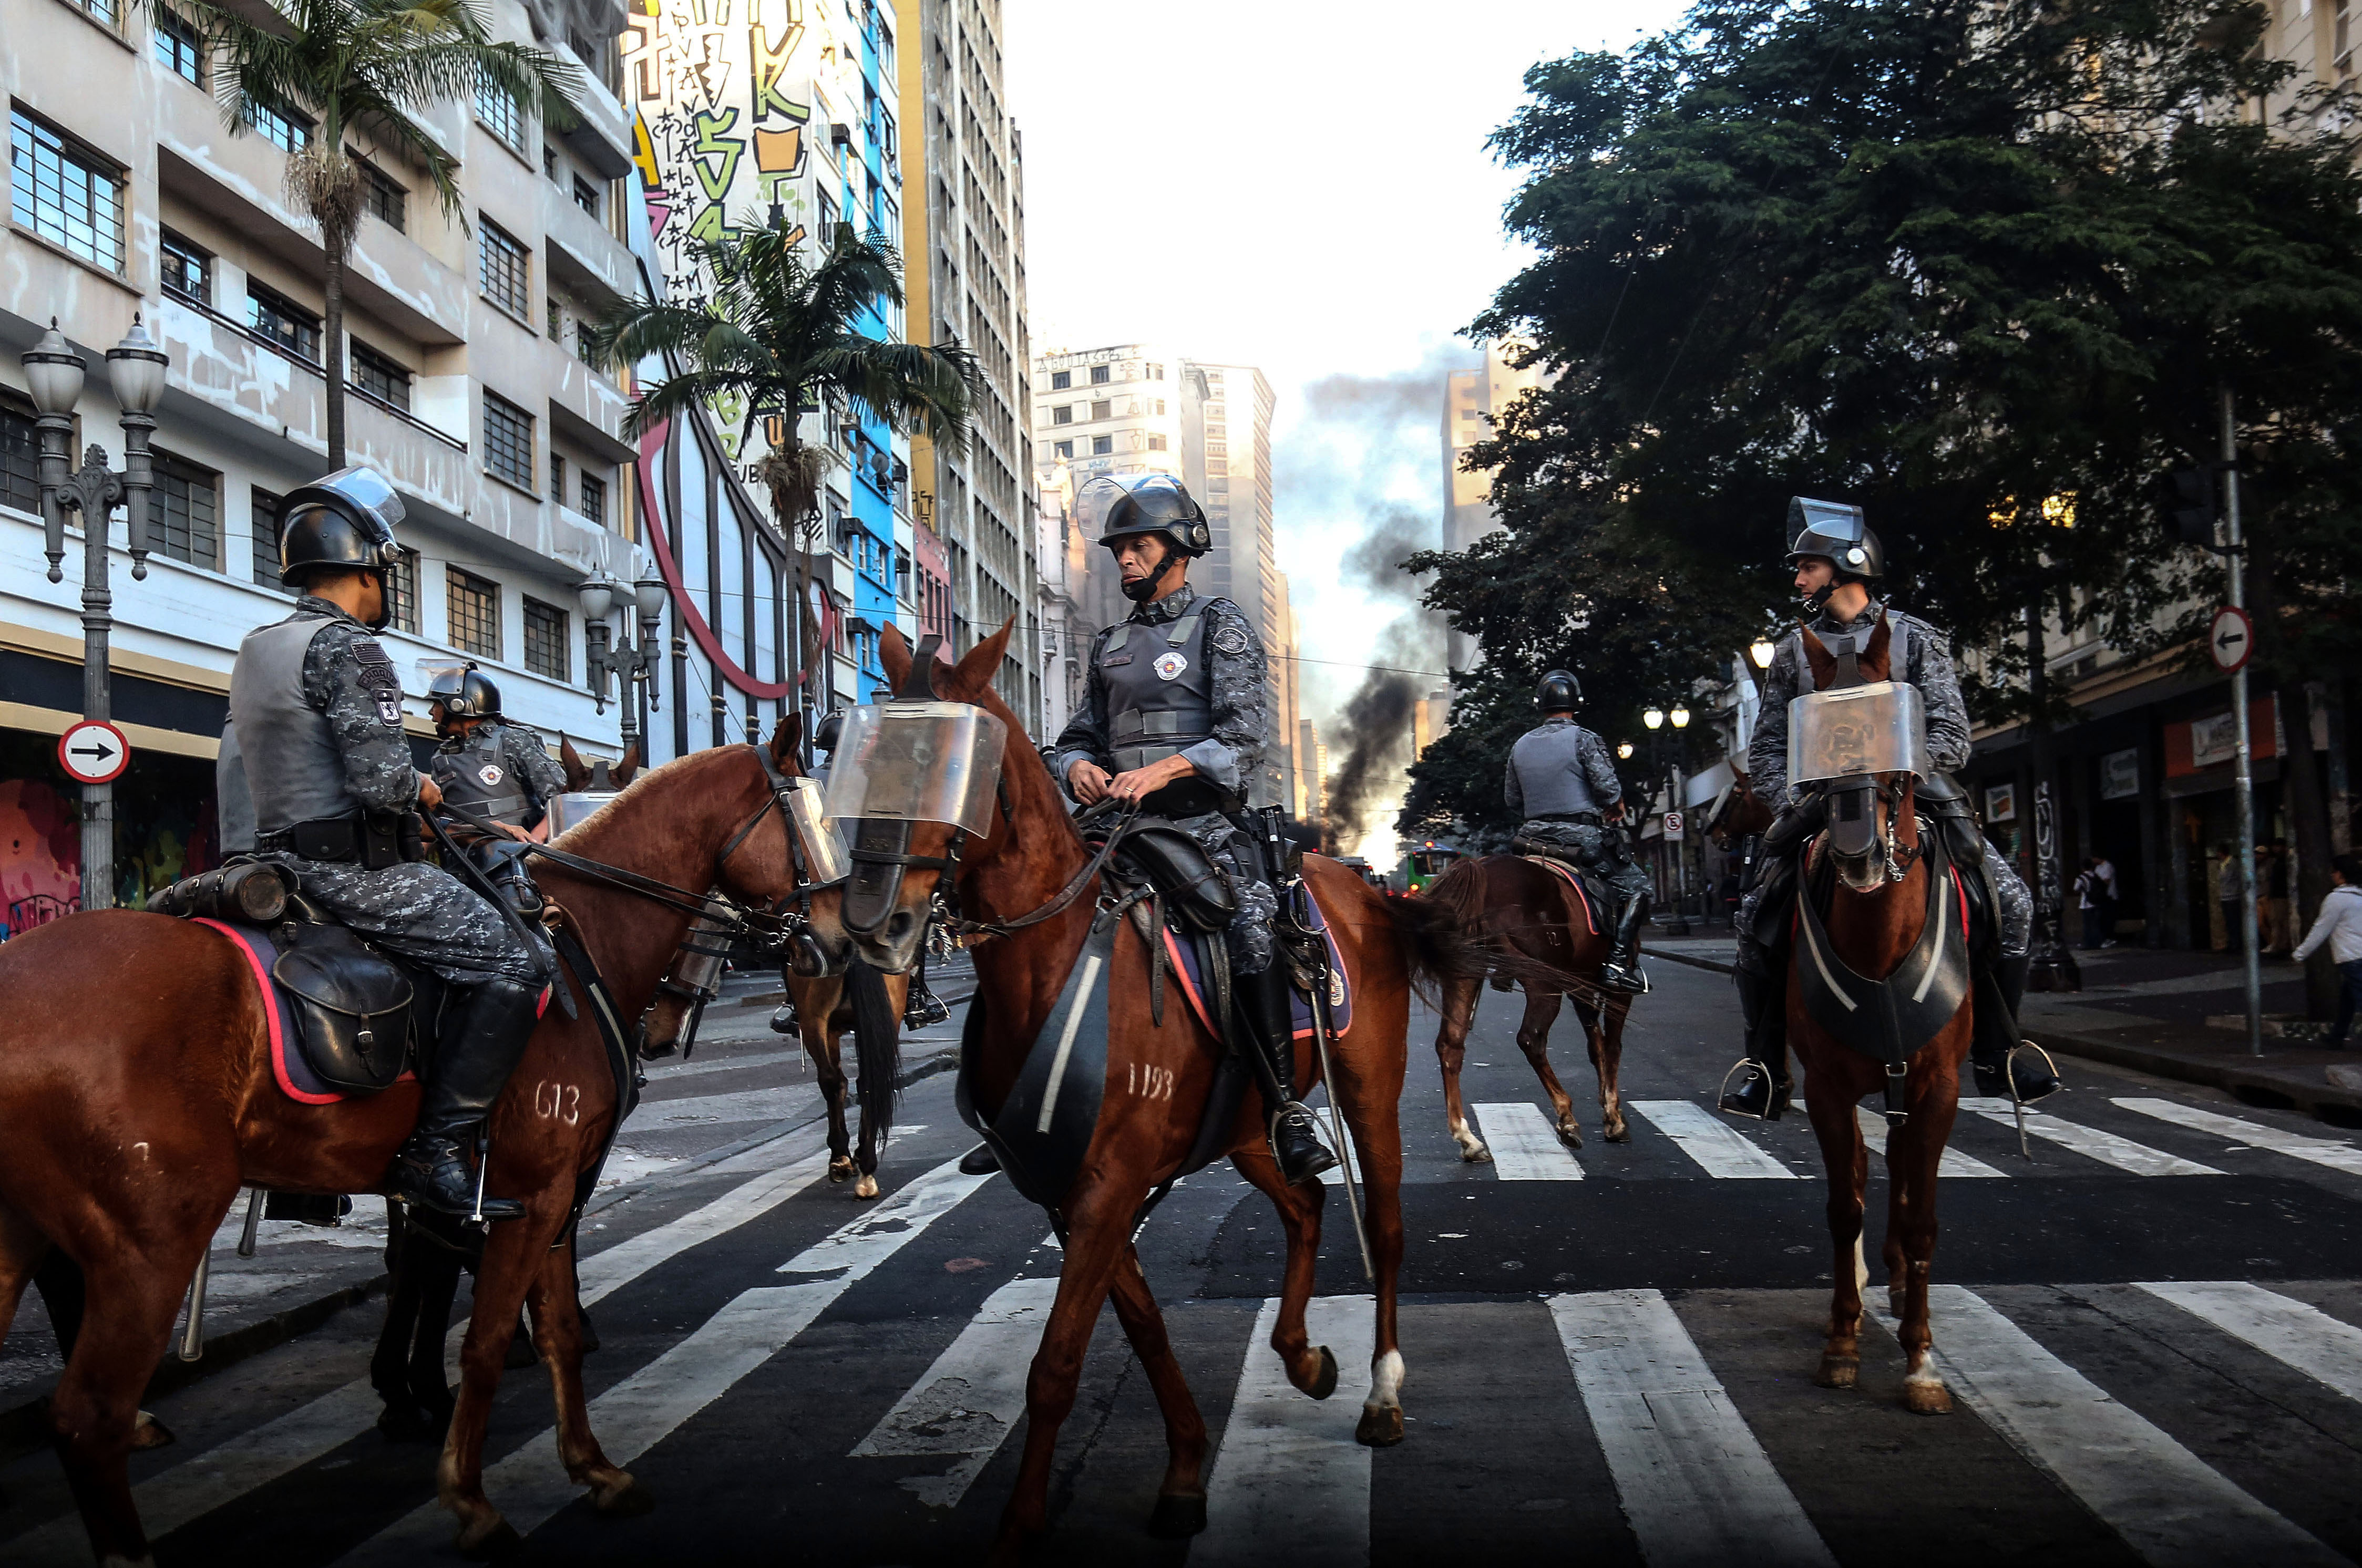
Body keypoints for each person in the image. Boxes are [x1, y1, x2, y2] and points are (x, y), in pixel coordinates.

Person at [224, 467, 550, 1221]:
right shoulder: (350, 648)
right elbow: (380, 786)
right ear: (366, 565)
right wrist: (423, 787)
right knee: (518, 961)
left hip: (272, 862)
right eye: (385, 568)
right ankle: (434, 1151)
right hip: (353, 871)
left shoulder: (256, 644)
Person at [1042, 471, 1336, 1184]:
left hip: (1201, 827)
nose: (1125, 561)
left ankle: (1285, 1108)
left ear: (1179, 549)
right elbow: (1077, 733)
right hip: (1114, 829)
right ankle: (1030, 1103)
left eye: (1138, 547)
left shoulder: (1219, 624)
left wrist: (1162, 771)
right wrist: (1075, 764)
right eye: (1118, 551)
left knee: (1251, 927)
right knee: (1035, 921)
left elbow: (1242, 738)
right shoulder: (1109, 642)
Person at [1721, 497, 2056, 1119]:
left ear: (1848, 566)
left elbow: (1953, 735)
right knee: (1753, 919)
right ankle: (1766, 1065)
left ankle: (1999, 1049)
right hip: (1821, 804)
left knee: (2010, 902)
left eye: (1807, 567)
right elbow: (1767, 743)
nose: (1797, 579)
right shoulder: (1793, 651)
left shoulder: (1917, 638)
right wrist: (1792, 796)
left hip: (1913, 797)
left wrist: (1894, 779)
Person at [1502, 669, 1651, 992]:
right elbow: (1608, 790)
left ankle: (1503, 960)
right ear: (1575, 704)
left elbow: (1512, 800)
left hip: (1529, 841)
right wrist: (1613, 803)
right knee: (1639, 887)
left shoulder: (1520, 746)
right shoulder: (1584, 739)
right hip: (1579, 837)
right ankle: (1616, 963)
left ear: (1540, 705)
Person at [424, 664, 566, 913]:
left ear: (458, 705)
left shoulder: (513, 740)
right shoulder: (441, 756)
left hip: (518, 867)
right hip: (463, 868)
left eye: (436, 704)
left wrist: (534, 842)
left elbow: (560, 798)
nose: (431, 712)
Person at [2293, 854, 2362, 1046]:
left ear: (2340, 874)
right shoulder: (2359, 897)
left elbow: (2321, 929)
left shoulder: (2336, 900)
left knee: (2356, 997)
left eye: (2333, 872)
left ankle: (2337, 1036)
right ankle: (2336, 1036)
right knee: (2348, 999)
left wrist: (2300, 953)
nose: (2331, 875)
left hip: (2352, 957)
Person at [2092, 853, 2120, 948]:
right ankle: (2104, 938)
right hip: (2101, 897)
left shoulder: (2108, 866)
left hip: (2109, 895)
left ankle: (2110, 938)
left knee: (2109, 918)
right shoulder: (2098, 868)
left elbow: (2106, 881)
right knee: (2102, 919)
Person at [2074, 858, 2101, 950]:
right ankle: (2097, 943)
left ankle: (2088, 944)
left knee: (2087, 925)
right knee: (2095, 924)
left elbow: (2076, 889)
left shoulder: (2081, 878)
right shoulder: (2096, 876)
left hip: (2086, 903)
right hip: (2096, 902)